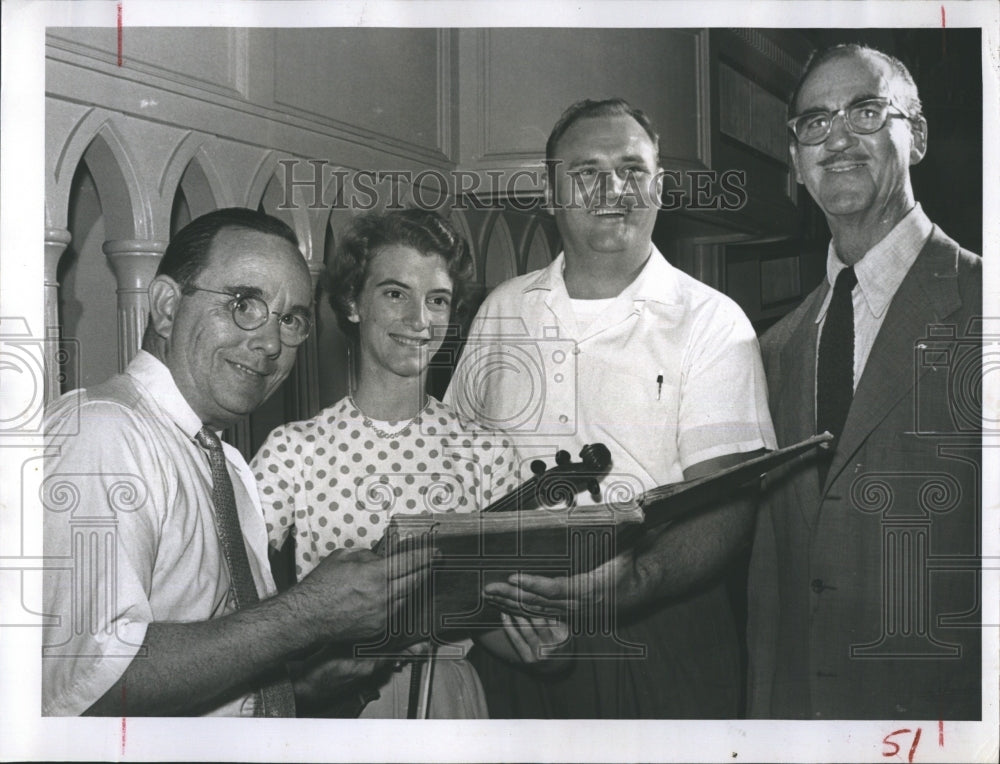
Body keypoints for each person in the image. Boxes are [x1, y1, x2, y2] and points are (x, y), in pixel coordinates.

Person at [445, 98, 777, 718]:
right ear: (550, 192)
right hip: (515, 629)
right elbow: (455, 467)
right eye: (586, 172)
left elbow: (728, 505)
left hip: (659, 630)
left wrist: (636, 580)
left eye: (632, 169)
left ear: (660, 187)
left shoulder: (713, 321)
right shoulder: (501, 310)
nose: (613, 189)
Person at [42, 208, 429, 717]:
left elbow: (203, 684)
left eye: (290, 320)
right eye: (244, 303)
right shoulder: (104, 431)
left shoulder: (221, 461)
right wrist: (307, 614)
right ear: (165, 307)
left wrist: (303, 688)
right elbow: (90, 683)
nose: (270, 343)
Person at [252, 208, 567, 718]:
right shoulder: (295, 449)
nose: (420, 320)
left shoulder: (486, 453)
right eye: (395, 293)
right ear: (353, 302)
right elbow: (236, 604)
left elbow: (494, 620)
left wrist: (544, 647)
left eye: (437, 300)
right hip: (339, 704)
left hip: (448, 701)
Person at [746, 44, 982, 719]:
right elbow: (772, 578)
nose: (839, 137)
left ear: (918, 137)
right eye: (815, 122)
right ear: (796, 160)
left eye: (867, 112)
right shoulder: (775, 348)